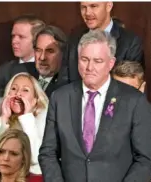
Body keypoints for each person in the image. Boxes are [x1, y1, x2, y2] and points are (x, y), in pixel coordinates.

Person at [39, 30, 151, 182]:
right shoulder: (60, 98)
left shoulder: (133, 100)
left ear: (111, 63)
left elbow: (145, 159)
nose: (89, 67)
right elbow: (48, 153)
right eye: (84, 59)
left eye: (98, 61)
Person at [0, 72, 48, 174]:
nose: (18, 94)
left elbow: (35, 158)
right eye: (14, 89)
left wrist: (27, 117)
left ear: (35, 100)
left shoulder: (45, 122)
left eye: (25, 90)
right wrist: (3, 118)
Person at [64, 2, 144, 82]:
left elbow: (130, 86)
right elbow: (63, 80)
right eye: (83, 7)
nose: (87, 13)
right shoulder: (74, 37)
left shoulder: (130, 42)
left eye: (93, 6)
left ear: (109, 6)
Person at [10, 25, 68, 97]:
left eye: (50, 51)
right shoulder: (20, 71)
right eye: (38, 50)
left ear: (63, 53)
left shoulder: (68, 84)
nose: (42, 57)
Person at [0, 15, 45, 96]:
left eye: (21, 37)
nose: (14, 41)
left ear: (37, 40)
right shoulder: (5, 69)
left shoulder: (46, 69)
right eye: (13, 36)